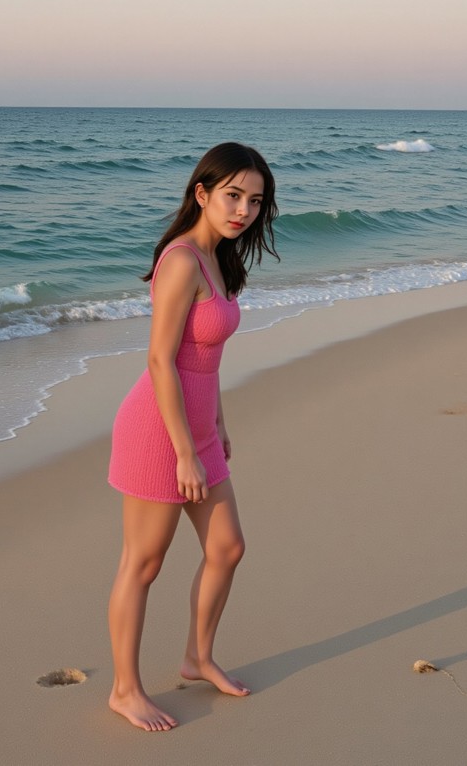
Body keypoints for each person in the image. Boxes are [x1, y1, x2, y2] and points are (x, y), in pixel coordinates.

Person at [107, 142, 279, 731]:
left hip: (199, 427)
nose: (243, 210)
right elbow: (160, 361)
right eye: (233, 196)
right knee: (143, 564)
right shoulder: (181, 260)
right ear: (202, 193)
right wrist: (184, 449)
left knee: (228, 548)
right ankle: (125, 690)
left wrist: (218, 427)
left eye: (254, 201)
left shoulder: (219, 259)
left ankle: (197, 657)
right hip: (159, 430)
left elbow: (202, 360)